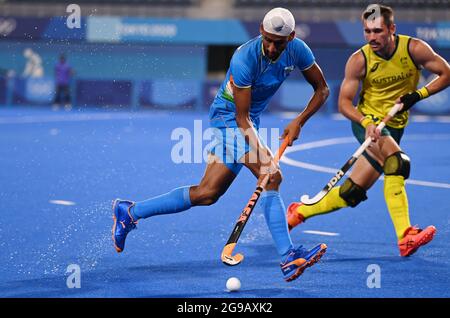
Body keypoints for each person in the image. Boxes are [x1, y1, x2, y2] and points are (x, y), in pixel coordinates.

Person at [112, 7, 330, 282]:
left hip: (250, 119)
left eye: (280, 42)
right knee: (271, 176)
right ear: (261, 32)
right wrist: (264, 157)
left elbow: (322, 90)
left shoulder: (298, 50)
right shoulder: (244, 58)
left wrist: (300, 120)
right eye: (269, 40)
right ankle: (288, 256)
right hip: (229, 118)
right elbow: (240, 117)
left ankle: (130, 212)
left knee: (207, 193)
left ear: (291, 37)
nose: (273, 47)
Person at [287, 4, 450, 257]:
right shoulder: (359, 60)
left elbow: (446, 73)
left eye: (377, 31)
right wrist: (366, 123)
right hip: (367, 124)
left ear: (392, 29)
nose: (372, 37)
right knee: (397, 162)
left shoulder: (414, 49)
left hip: (394, 126)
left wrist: (418, 95)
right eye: (367, 31)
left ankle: (298, 213)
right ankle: (405, 235)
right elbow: (343, 103)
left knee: (352, 193)